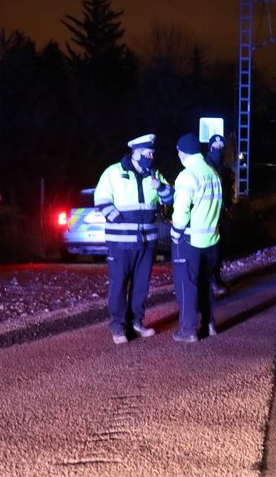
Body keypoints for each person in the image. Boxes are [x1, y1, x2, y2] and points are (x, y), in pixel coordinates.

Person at [94, 134, 174, 345]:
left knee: (141, 285)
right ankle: (118, 327)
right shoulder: (113, 172)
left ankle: (137, 322)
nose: (151, 157)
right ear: (136, 152)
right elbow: (101, 200)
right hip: (120, 242)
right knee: (119, 285)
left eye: (152, 153)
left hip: (148, 241)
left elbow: (170, 198)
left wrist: (161, 188)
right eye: (148, 153)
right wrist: (119, 222)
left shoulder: (154, 174)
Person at [171, 133, 223, 343]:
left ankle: (188, 330)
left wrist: (175, 233)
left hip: (190, 240)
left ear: (182, 152)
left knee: (187, 284)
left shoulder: (187, 175)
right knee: (205, 283)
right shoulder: (212, 173)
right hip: (211, 240)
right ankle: (209, 324)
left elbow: (182, 212)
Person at [204, 133, 232, 293]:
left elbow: (227, 190)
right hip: (207, 213)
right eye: (215, 147)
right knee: (210, 249)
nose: (218, 149)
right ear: (210, 147)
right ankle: (209, 281)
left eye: (221, 147)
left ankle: (216, 277)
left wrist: (229, 206)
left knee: (219, 248)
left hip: (220, 213)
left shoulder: (223, 166)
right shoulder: (206, 165)